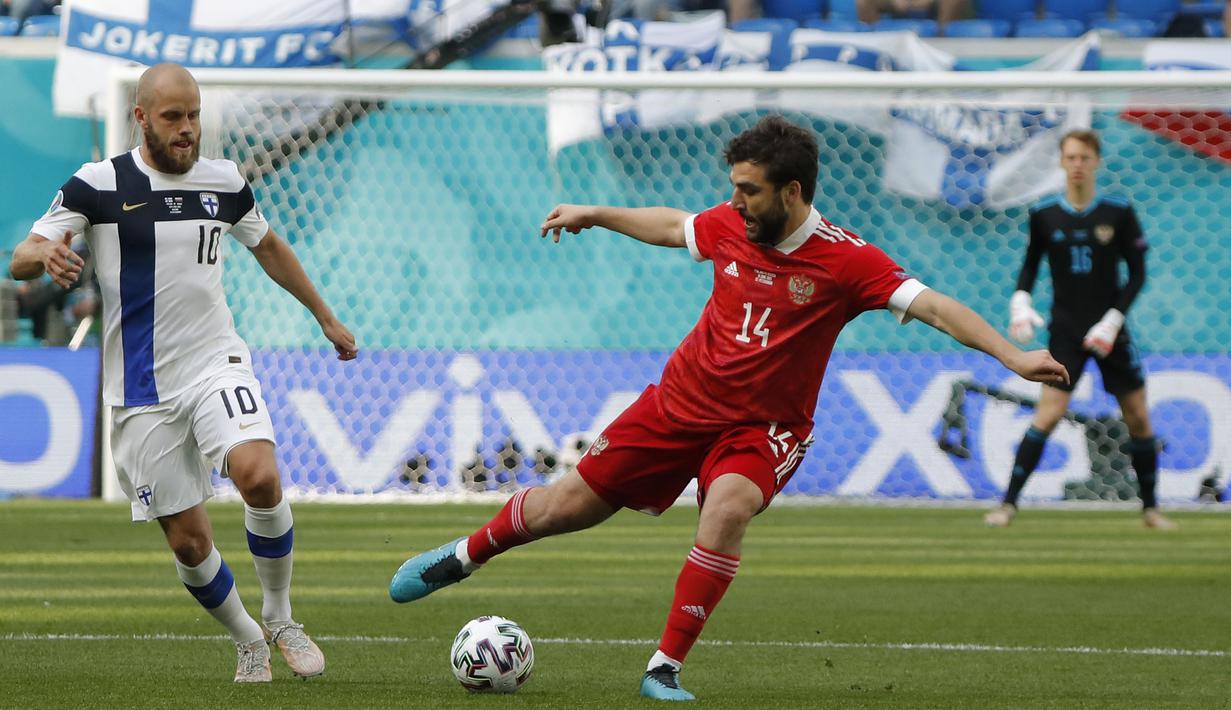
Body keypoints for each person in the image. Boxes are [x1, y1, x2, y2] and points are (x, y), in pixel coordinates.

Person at [388, 115, 1068, 701]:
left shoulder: (848, 261)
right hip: (677, 405)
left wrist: (1011, 357)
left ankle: (663, 667)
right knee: (566, 508)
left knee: (728, 507)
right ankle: (465, 555)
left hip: (763, 429)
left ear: (791, 192)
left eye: (748, 190)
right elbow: (672, 226)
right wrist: (595, 213)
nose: (735, 201)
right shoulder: (732, 223)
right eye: (734, 187)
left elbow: (934, 307)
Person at [9, 63, 359, 682]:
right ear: (141, 117)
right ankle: (249, 639)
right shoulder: (98, 183)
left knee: (259, 475)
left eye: (194, 115)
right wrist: (47, 252)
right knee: (190, 544)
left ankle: (280, 617)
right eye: (173, 117)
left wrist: (325, 317)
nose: (187, 129)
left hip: (215, 361)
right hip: (140, 388)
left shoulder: (224, 180)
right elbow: (22, 258)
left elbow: (267, 246)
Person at [985, 129, 1176, 531]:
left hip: (1111, 332)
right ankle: (1007, 505)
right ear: (1061, 161)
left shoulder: (1118, 212)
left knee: (1138, 417)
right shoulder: (1044, 214)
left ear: (1096, 162)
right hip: (1066, 332)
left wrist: (1112, 320)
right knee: (1048, 414)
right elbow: (1030, 265)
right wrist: (1020, 302)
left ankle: (1151, 510)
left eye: (1084, 158)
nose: (1077, 165)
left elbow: (1138, 273)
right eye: (1071, 157)